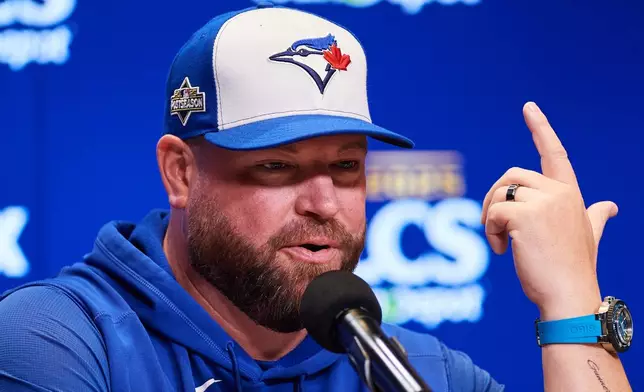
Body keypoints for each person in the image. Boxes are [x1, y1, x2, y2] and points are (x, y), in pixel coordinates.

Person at [0, 4, 632, 392]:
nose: (323, 203)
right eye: (276, 166)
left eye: (346, 166)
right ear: (181, 173)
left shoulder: (421, 372)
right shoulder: (62, 342)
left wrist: (572, 307)